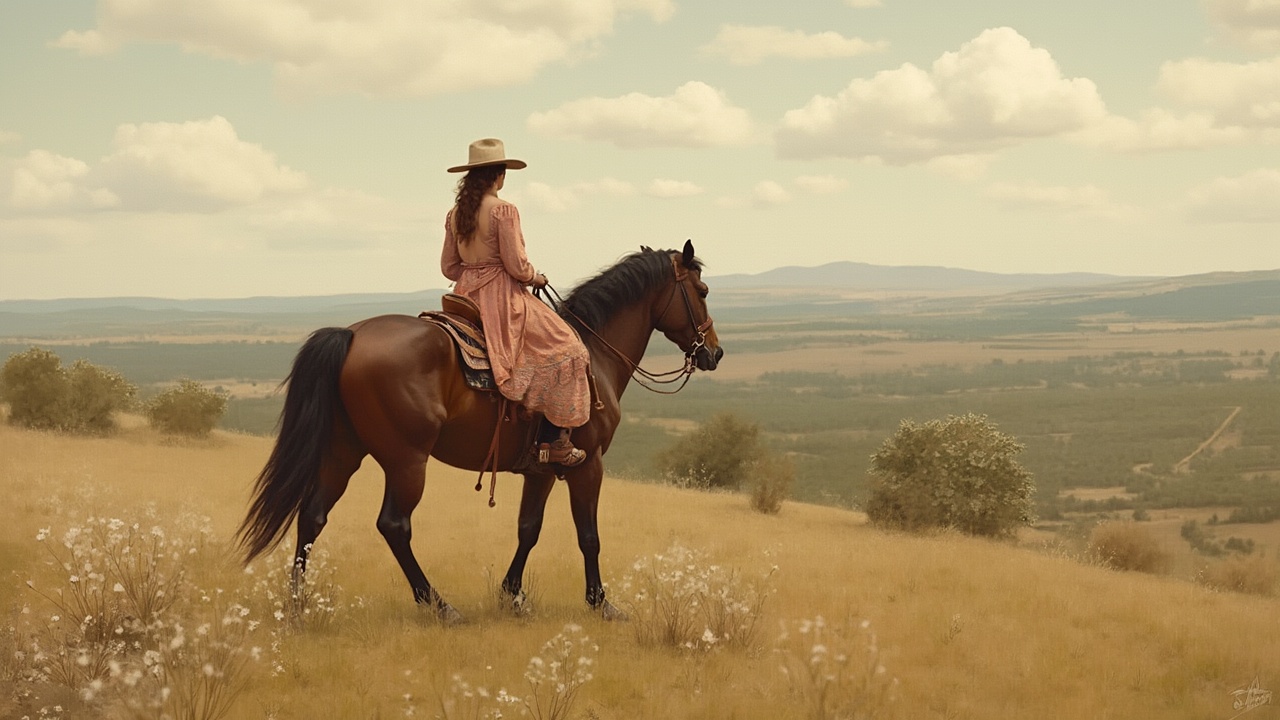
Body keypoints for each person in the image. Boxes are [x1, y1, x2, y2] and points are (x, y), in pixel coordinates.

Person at [441, 138, 590, 467]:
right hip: (502, 297)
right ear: (498, 175)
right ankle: (554, 441)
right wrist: (535, 277)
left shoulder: (455, 214)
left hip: (463, 295)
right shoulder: (503, 210)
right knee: (569, 350)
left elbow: (448, 267)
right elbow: (516, 266)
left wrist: (474, 271)